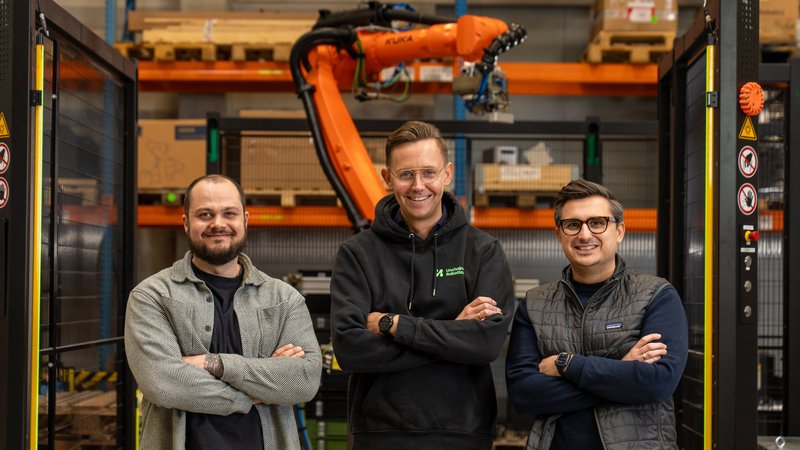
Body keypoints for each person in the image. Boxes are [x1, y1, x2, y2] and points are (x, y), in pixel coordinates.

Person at [330, 120, 515, 450]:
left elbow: (485, 345)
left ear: (447, 174)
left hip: (464, 433)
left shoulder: (483, 251)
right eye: (405, 174)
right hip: (380, 433)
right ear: (387, 178)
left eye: (429, 172)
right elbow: (350, 350)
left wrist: (393, 324)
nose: (418, 186)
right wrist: (454, 331)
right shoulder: (358, 253)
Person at [124, 174, 322, 450]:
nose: (218, 223)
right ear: (186, 223)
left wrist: (214, 363)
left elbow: (304, 380)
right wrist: (252, 395)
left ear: (245, 220)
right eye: (205, 214)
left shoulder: (284, 299)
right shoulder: (152, 296)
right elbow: (162, 383)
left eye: (229, 213)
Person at [505, 179, 688, 449]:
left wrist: (568, 365)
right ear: (559, 234)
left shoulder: (656, 296)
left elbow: (656, 382)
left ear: (619, 231)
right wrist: (622, 369)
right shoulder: (534, 304)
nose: (584, 234)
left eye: (597, 223)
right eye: (572, 224)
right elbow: (524, 395)